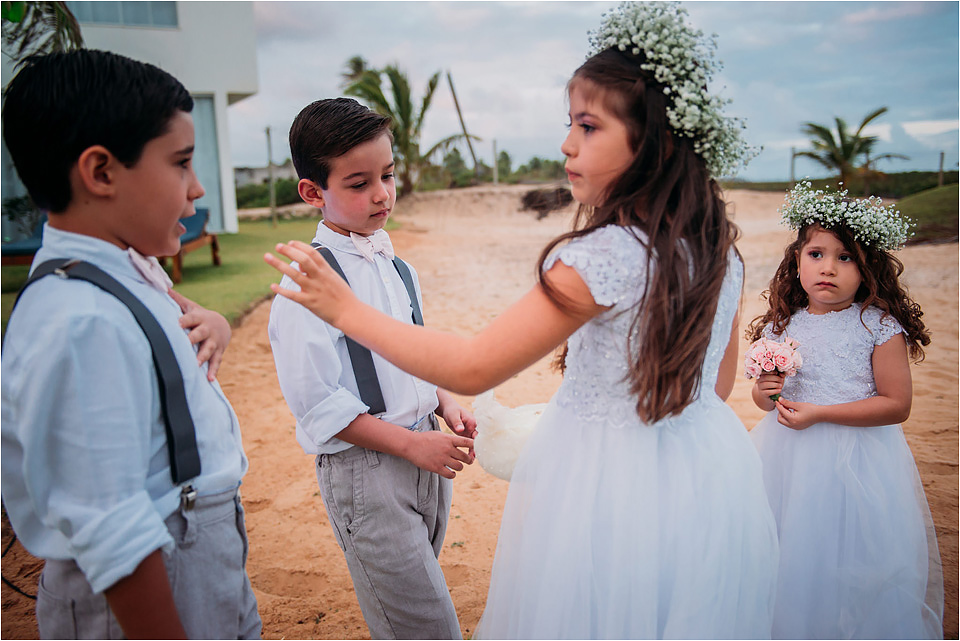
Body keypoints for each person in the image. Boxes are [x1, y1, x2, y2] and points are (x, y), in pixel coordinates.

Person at [264, 4, 778, 638]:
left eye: (587, 126)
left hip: (605, 484)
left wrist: (345, 309)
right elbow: (718, 389)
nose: (566, 143)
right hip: (700, 477)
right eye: (570, 124)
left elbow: (474, 364)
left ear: (654, 140)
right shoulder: (719, 250)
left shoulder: (602, 257)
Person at [1, 50, 260, 639]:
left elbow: (168, 329)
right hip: (153, 580)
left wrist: (215, 324)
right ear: (101, 173)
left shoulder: (128, 270)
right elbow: (111, 524)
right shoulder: (79, 320)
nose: (196, 189)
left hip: (203, 552)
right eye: (181, 163)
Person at [267, 97, 477, 640]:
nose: (382, 193)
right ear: (314, 192)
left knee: (416, 602)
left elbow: (414, 353)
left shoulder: (397, 266)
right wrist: (410, 445)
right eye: (359, 184)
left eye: (386, 175)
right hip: (367, 470)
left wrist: (445, 402)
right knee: (424, 627)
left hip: (427, 455)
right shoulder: (305, 284)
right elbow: (318, 405)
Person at [747, 181, 944, 639]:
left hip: (857, 460)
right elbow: (764, 400)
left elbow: (897, 405)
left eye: (845, 257)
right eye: (815, 255)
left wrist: (820, 413)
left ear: (867, 267)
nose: (828, 268)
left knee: (856, 559)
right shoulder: (783, 322)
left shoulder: (877, 325)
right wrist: (767, 390)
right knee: (791, 549)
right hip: (787, 455)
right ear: (795, 262)